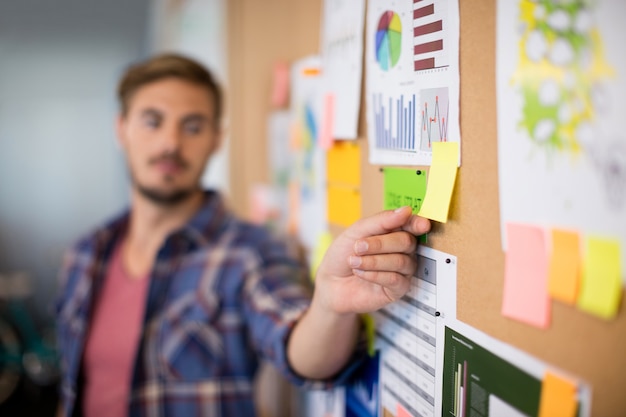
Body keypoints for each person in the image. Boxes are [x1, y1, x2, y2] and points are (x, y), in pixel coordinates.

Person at [55, 53, 431, 417]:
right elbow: (75, 387)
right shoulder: (85, 254)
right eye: (152, 122)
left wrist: (330, 305)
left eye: (192, 126)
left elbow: (299, 352)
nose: (170, 142)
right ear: (121, 129)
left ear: (217, 138)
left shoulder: (251, 253)